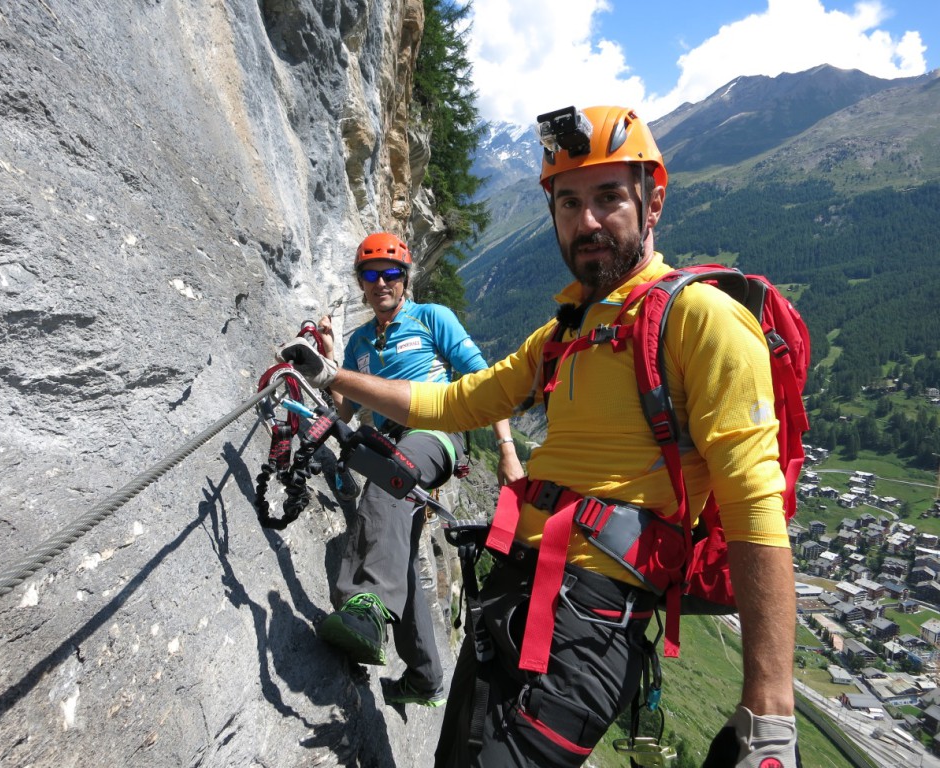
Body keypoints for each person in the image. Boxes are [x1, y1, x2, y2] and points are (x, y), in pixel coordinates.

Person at [280, 107, 798, 767]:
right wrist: (333, 376)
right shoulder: (565, 333)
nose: (587, 222)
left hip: (594, 624)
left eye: (609, 197)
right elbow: (459, 399)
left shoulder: (703, 319)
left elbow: (756, 500)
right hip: (510, 590)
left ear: (653, 201)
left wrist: (770, 711)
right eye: (569, 202)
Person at [312, 232, 523, 709]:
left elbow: (484, 380)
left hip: (437, 430)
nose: (382, 282)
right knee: (399, 551)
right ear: (361, 283)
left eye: (391, 273)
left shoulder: (430, 318)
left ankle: (364, 609)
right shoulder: (362, 342)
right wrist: (329, 359)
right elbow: (345, 412)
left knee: (389, 480)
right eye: (371, 274)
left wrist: (508, 450)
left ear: (404, 279)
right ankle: (425, 676)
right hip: (392, 439)